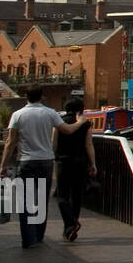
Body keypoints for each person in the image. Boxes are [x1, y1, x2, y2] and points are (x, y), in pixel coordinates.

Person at [0, 86, 89, 248]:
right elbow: (67, 130)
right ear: (42, 96)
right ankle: (39, 236)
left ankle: (28, 238)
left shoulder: (17, 115)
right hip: (45, 161)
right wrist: (81, 122)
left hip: (26, 161)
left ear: (26, 96)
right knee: (41, 201)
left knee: (25, 202)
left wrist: (3, 165)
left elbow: (10, 142)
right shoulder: (50, 113)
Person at [54, 99, 97, 242]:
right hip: (80, 162)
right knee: (77, 195)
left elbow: (53, 142)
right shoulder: (85, 124)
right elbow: (89, 145)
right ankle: (70, 227)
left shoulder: (60, 122)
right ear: (81, 109)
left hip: (63, 161)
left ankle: (71, 224)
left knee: (62, 195)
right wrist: (93, 164)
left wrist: (55, 156)